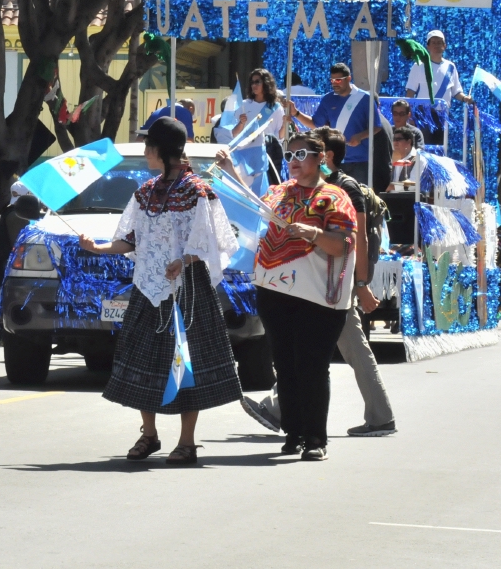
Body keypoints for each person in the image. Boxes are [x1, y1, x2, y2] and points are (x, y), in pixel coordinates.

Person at [79, 117, 241, 466]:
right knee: (142, 357)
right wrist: (99, 247)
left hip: (187, 289)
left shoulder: (198, 191)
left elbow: (211, 239)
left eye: (148, 145)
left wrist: (183, 260)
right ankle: (149, 434)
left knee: (186, 359)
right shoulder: (146, 192)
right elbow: (129, 240)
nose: (144, 150)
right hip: (147, 286)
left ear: (161, 150)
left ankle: (186, 442)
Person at [223, 132, 356, 460]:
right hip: (276, 292)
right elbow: (252, 210)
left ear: (320, 157)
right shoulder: (278, 192)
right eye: (289, 154)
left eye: (301, 154)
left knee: (311, 365)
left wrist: (314, 233)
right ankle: (294, 432)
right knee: (285, 365)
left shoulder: (334, 198)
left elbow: (343, 244)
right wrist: (229, 169)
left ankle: (315, 438)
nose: (294, 161)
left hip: (317, 297)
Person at [312, 127, 395, 436]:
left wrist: (361, 284)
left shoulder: (347, 188)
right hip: (322, 281)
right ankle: (280, 408)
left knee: (347, 348)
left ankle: (381, 416)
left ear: (326, 155)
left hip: (340, 282)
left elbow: (357, 239)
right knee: (312, 346)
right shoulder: (321, 184)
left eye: (311, 150)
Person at [287, 62, 387, 185]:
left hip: (359, 160)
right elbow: (315, 124)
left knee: (358, 196)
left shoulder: (365, 98)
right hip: (333, 160)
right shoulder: (327, 99)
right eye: (332, 80)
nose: (335, 83)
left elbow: (377, 127)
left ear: (349, 79)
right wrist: (296, 113)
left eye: (338, 80)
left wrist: (360, 136)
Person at [405, 30, 475, 146]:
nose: (437, 45)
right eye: (434, 42)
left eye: (440, 42)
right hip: (424, 115)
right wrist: (410, 116)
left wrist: (465, 98)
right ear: (428, 46)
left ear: (445, 46)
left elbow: (456, 92)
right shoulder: (419, 65)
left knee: (440, 150)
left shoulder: (451, 67)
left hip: (442, 115)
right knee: (423, 148)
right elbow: (410, 92)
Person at [388, 125, 423, 191]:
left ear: (409, 142)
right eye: (394, 139)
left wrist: (393, 188)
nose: (395, 143)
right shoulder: (393, 159)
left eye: (398, 140)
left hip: (411, 199)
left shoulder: (419, 159)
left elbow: (413, 186)